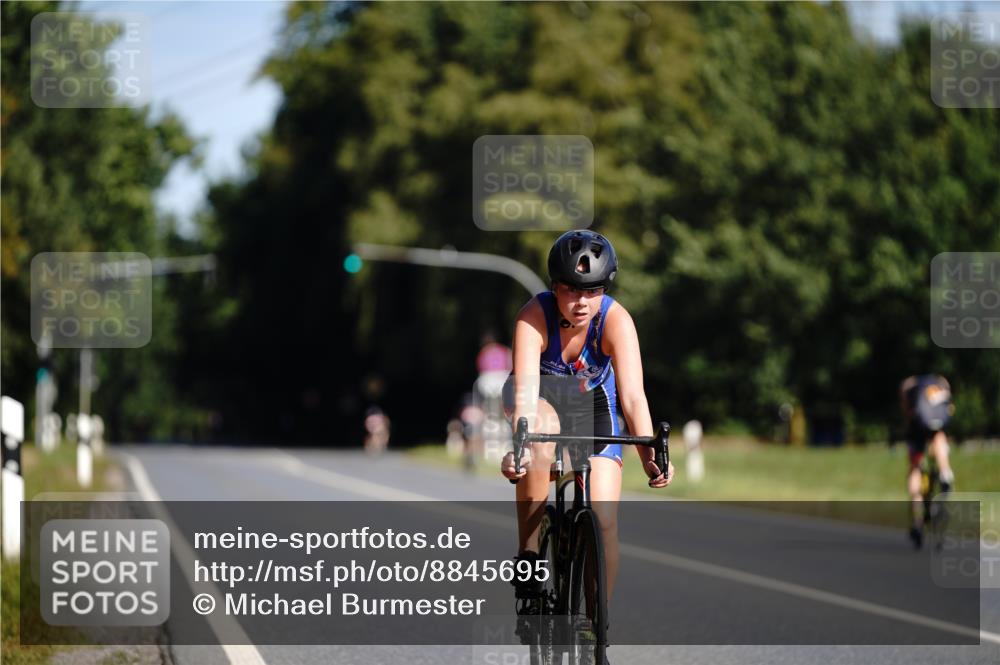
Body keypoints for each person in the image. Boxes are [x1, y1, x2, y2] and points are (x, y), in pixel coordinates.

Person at [500, 229, 674, 614]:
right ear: (554, 287)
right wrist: (521, 447)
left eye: (592, 290)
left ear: (605, 288)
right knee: (540, 443)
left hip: (593, 403)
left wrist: (649, 454)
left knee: (604, 516)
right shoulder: (533, 316)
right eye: (571, 290)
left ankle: (596, 626)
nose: (581, 302)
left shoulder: (617, 320)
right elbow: (527, 395)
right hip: (538, 397)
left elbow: (631, 396)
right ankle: (528, 555)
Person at [899, 374, 955, 549]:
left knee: (915, 467)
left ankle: (917, 518)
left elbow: (907, 410)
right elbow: (949, 408)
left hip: (917, 431)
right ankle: (945, 472)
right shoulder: (941, 382)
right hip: (936, 431)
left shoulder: (908, 384)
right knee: (939, 436)